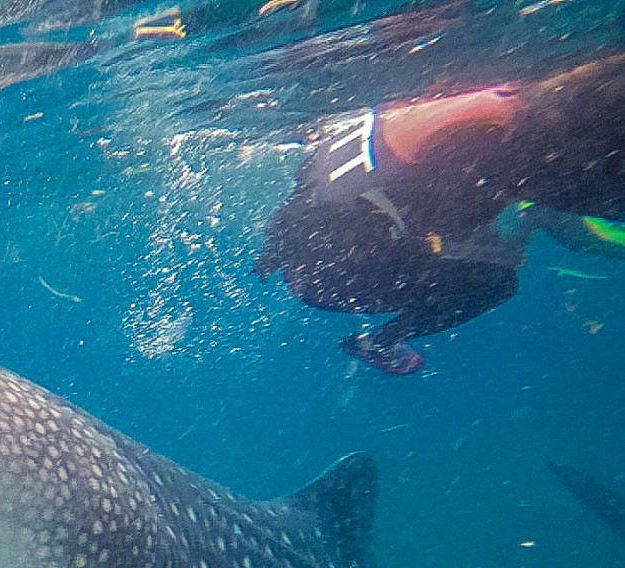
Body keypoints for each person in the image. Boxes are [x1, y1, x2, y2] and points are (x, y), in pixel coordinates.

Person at [255, 54, 625, 374]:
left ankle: (379, 333)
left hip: (322, 233)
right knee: (493, 282)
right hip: (332, 267)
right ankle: (378, 341)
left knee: (493, 235)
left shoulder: (492, 122)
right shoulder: (504, 126)